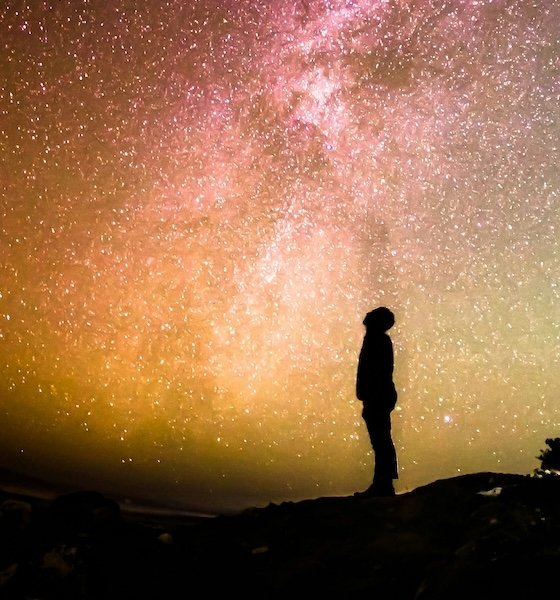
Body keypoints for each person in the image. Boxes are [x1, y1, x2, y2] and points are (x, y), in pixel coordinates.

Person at [354, 306, 398, 497]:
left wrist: (370, 394)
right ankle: (382, 483)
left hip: (378, 396)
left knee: (381, 440)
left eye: (371, 315)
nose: (366, 315)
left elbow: (378, 372)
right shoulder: (376, 340)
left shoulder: (378, 341)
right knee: (380, 440)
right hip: (377, 396)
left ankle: (384, 484)